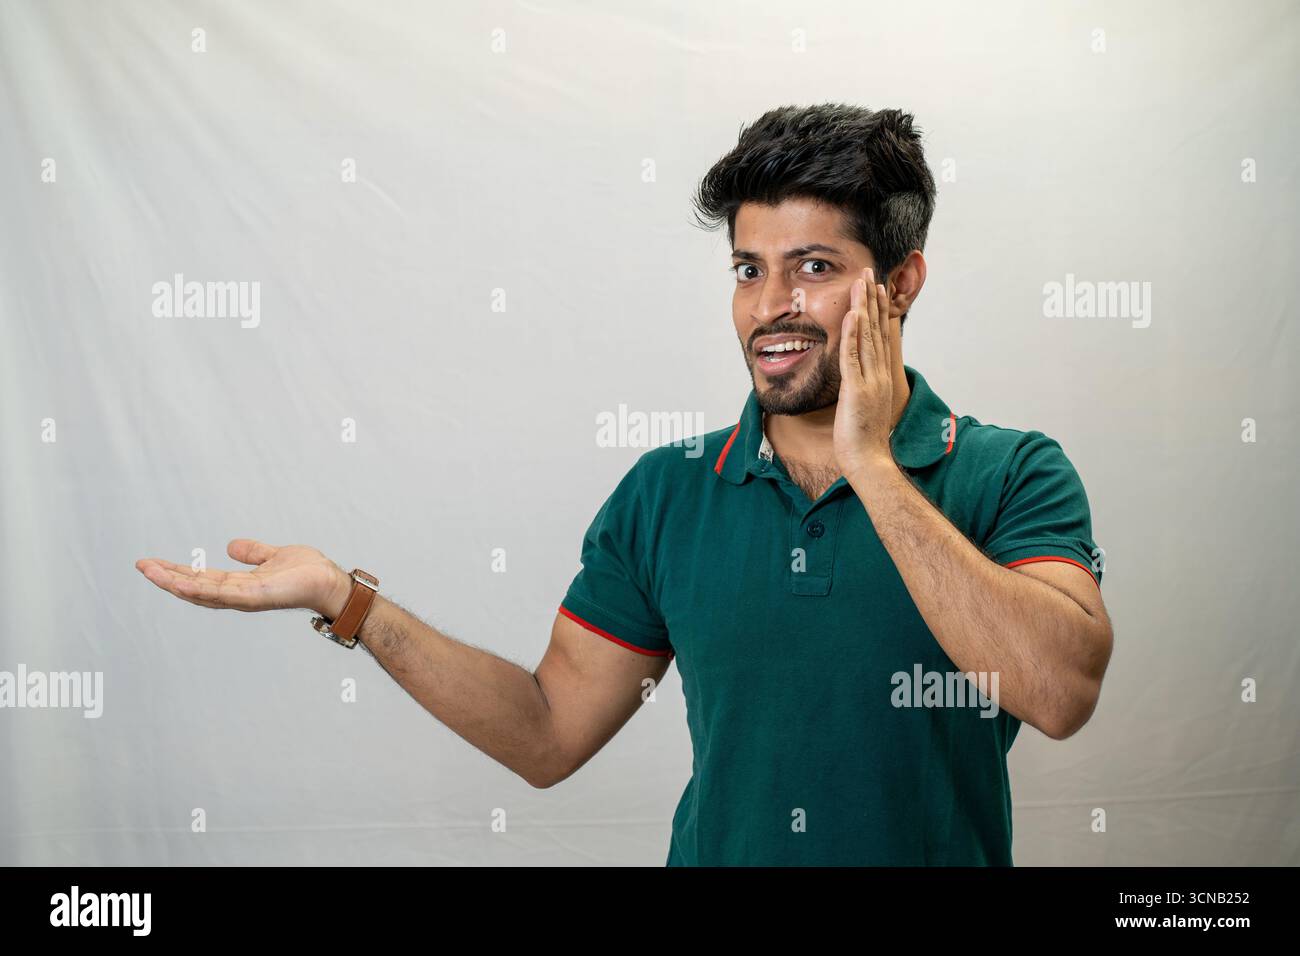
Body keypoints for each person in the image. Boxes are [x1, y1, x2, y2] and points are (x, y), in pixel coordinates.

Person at [137, 103, 1113, 866]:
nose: (771, 305)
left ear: (900, 283)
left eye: (813, 267)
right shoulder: (666, 492)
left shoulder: (1010, 470)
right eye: (747, 268)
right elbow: (548, 732)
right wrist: (349, 601)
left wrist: (873, 465)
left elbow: (1057, 690)